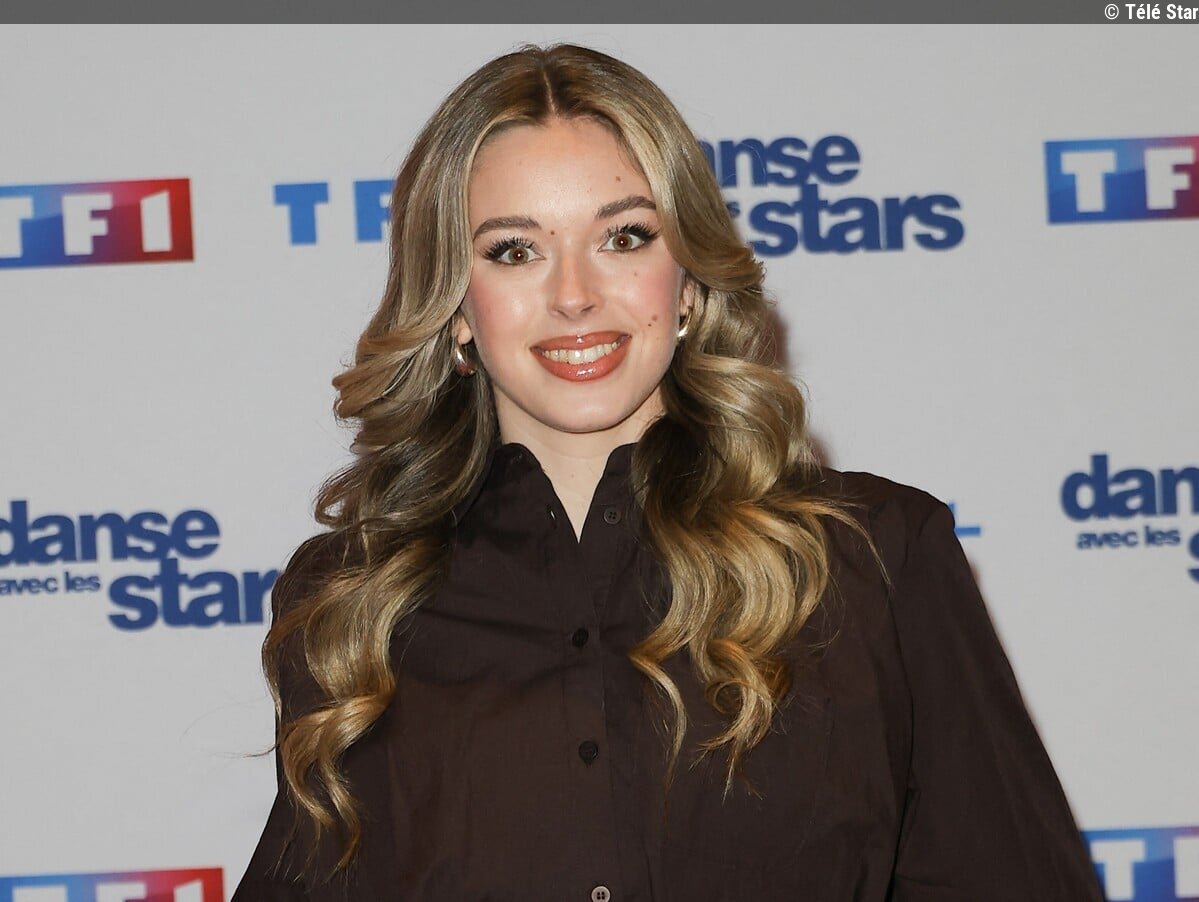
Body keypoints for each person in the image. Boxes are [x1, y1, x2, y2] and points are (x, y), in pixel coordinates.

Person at [232, 43, 1103, 902]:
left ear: (684, 281)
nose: (574, 294)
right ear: (455, 306)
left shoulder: (875, 558)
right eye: (514, 250)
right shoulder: (354, 606)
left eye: (623, 236)